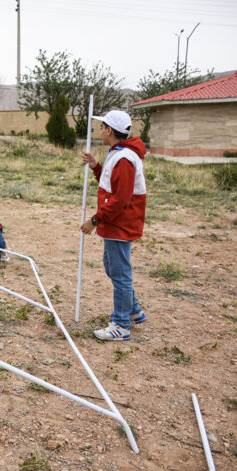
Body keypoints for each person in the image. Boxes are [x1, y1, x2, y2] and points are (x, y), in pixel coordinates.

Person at [80, 110, 147, 342]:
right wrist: (97, 166)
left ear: (109, 130)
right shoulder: (117, 154)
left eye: (101, 127)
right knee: (113, 267)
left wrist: (95, 220)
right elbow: (111, 184)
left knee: (120, 273)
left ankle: (121, 324)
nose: (99, 132)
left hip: (120, 225)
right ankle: (134, 310)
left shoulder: (125, 158)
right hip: (116, 225)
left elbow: (120, 199)